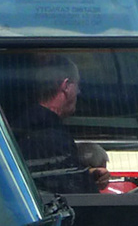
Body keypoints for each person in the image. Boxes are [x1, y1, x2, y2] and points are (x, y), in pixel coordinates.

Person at [11, 52, 94, 195]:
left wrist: (87, 176)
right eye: (77, 85)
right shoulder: (52, 137)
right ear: (66, 86)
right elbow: (74, 197)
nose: (79, 92)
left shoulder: (20, 125)